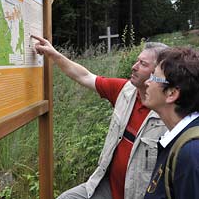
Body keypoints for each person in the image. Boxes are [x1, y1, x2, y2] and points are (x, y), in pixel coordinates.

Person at [32, 35, 168, 199]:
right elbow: (85, 76)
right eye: (137, 61)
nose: (134, 66)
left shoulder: (168, 113)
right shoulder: (124, 91)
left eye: (143, 64)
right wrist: (54, 54)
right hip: (106, 187)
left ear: (158, 73)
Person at [144, 47, 199, 199]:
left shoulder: (190, 154)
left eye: (154, 77)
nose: (147, 82)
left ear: (172, 93)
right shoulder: (177, 141)